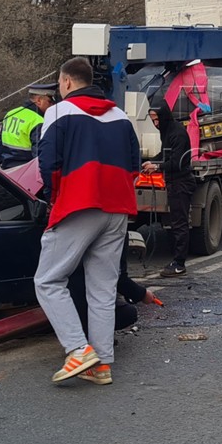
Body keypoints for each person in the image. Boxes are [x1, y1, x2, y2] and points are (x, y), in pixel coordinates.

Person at [33, 56, 141, 386]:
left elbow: (48, 162)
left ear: (66, 82)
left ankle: (78, 350)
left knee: (48, 280)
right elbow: (135, 165)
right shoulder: (120, 115)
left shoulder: (57, 112)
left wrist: (55, 198)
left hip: (78, 204)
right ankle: (101, 363)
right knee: (103, 290)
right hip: (117, 207)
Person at [147, 99, 196, 278]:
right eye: (152, 120)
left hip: (181, 182)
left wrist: (157, 167)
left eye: (157, 119)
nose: (155, 123)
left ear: (164, 116)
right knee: (176, 222)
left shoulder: (177, 133)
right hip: (174, 182)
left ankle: (179, 263)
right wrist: (152, 160)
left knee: (180, 223)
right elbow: (165, 154)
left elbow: (176, 162)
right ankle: (177, 259)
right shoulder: (166, 131)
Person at [0, 82, 55, 168]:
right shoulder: (38, 121)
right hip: (26, 171)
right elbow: (39, 157)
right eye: (50, 101)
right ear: (39, 101)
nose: (52, 105)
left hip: (6, 170)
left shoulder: (10, 114)